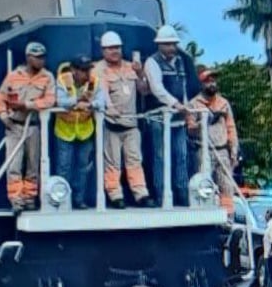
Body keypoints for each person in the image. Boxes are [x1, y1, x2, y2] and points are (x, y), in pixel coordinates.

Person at [0, 41, 56, 211]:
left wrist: (27, 105)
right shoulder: (14, 76)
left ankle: (30, 198)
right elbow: (0, 100)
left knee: (32, 164)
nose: (40, 61)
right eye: (37, 57)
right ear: (29, 58)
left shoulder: (48, 77)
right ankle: (16, 199)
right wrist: (4, 117)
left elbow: (50, 100)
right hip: (15, 126)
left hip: (34, 126)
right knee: (14, 164)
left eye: (43, 57)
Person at [95, 31, 154, 209]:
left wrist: (141, 73)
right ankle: (115, 195)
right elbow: (102, 94)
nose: (115, 51)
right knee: (112, 164)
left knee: (135, 161)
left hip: (131, 124)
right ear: (103, 50)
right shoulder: (99, 69)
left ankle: (141, 194)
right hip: (111, 125)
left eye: (117, 48)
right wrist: (110, 109)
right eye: (110, 48)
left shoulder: (131, 67)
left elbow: (144, 91)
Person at [143, 24, 191, 206]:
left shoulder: (180, 61)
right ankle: (161, 194)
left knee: (181, 156)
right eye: (168, 44)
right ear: (160, 45)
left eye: (174, 44)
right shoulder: (152, 62)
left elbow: (183, 87)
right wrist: (175, 104)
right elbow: (157, 88)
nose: (172, 47)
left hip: (177, 119)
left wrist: (185, 108)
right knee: (160, 156)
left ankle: (182, 194)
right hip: (158, 116)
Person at [54, 55, 106, 209]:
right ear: (74, 70)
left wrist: (90, 104)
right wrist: (77, 101)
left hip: (85, 131)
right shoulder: (63, 80)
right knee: (64, 166)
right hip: (65, 130)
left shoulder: (94, 82)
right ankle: (62, 200)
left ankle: (79, 199)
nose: (87, 74)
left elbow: (102, 102)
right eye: (83, 70)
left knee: (82, 167)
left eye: (88, 69)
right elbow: (59, 100)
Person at [186, 68, 239, 218]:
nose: (212, 84)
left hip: (222, 150)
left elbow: (231, 127)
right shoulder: (193, 104)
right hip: (203, 150)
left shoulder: (224, 103)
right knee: (204, 185)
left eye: (214, 81)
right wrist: (203, 122)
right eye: (208, 81)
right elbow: (190, 129)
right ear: (202, 83)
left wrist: (234, 149)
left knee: (227, 186)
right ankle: (204, 216)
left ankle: (228, 218)